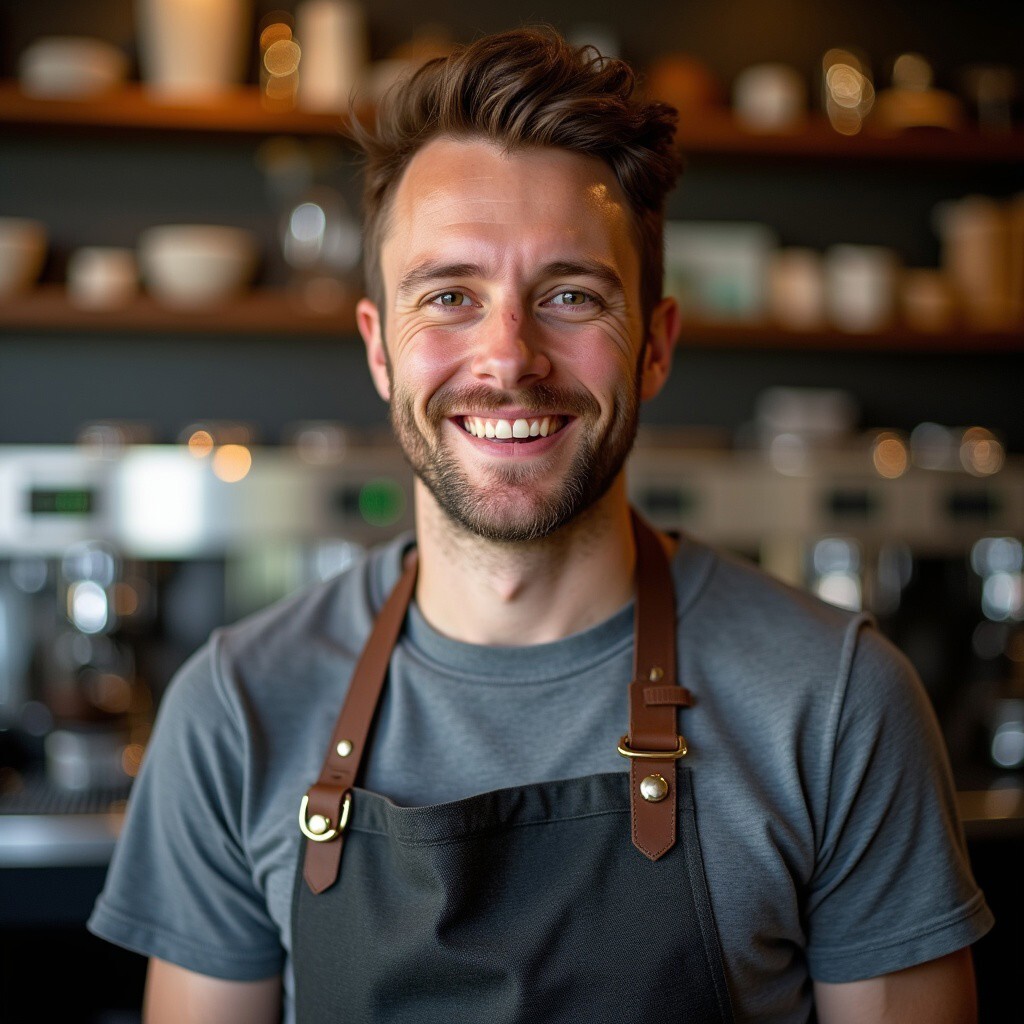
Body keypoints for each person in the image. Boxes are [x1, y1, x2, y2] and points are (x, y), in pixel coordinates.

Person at [88, 27, 993, 1023]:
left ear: (654, 346)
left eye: (569, 295)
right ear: (380, 351)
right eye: (447, 297)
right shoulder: (234, 710)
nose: (508, 358)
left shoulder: (834, 704)